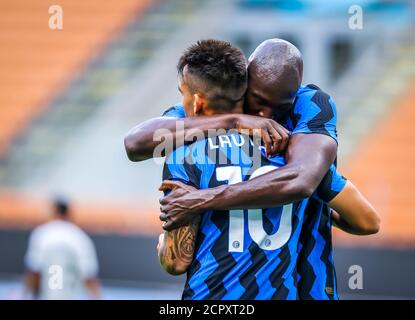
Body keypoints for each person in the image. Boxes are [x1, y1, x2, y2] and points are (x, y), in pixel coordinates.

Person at [125, 38, 378, 299]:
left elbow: (175, 261)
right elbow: (367, 220)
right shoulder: (293, 152)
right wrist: (235, 120)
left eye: (279, 108)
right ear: (245, 82)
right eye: (257, 101)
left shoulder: (187, 148)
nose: (265, 116)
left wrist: (200, 201)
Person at [24, 198, 101, 300]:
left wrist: (27, 296)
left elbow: (33, 271)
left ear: (53, 211)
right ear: (68, 213)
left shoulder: (41, 234)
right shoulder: (80, 237)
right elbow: (90, 276)